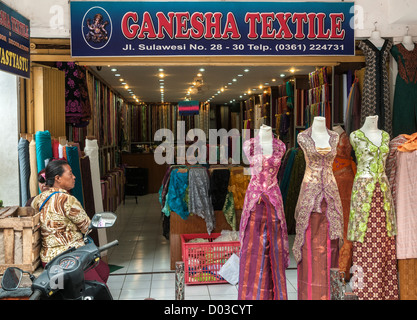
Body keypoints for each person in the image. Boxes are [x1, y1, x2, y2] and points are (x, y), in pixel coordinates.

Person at [31, 160, 109, 284]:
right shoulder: (67, 199)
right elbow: (86, 227)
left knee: (103, 270)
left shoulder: (38, 200)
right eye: (70, 173)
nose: (74, 177)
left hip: (48, 258)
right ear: (58, 178)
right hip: (70, 258)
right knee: (99, 284)